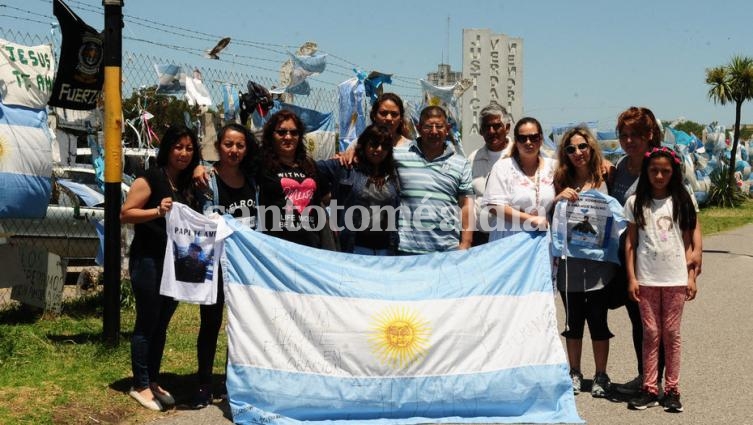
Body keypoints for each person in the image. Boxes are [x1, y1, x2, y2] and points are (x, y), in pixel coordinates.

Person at [608, 106, 703, 395]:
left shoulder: (663, 164)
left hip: (663, 260)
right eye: (623, 135)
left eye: (635, 134)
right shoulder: (620, 167)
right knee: (641, 322)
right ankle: (646, 377)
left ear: (650, 134)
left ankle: (660, 382)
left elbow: (688, 213)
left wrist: (696, 253)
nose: (628, 140)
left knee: (663, 327)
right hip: (630, 256)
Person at [120, 124, 202, 411]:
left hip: (176, 265)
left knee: (162, 324)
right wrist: (156, 211)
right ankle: (140, 384)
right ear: (167, 148)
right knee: (147, 322)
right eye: (178, 147)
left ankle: (152, 379)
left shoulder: (186, 182)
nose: (183, 153)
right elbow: (125, 213)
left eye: (189, 148)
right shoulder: (151, 178)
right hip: (149, 261)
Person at [624, 147, 698, 412]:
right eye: (654, 170)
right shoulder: (635, 202)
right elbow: (631, 242)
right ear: (646, 171)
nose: (659, 175)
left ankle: (672, 389)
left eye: (665, 171)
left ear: (673, 172)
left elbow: (690, 239)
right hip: (646, 279)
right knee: (651, 333)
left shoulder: (682, 199)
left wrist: (691, 277)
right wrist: (631, 277)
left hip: (675, 279)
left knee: (671, 333)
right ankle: (649, 388)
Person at [192, 123, 259, 409]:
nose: (234, 150)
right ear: (219, 146)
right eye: (228, 144)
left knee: (242, 325)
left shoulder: (252, 180)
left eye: (240, 145)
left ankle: (235, 381)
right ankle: (204, 382)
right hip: (214, 264)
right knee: (210, 324)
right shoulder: (206, 178)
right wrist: (198, 166)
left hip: (243, 265)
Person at [552, 126, 616, 397]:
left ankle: (601, 375)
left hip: (601, 263)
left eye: (582, 147)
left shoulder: (607, 174)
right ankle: (574, 372)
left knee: (599, 321)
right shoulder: (560, 178)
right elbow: (549, 213)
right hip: (570, 263)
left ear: (591, 148)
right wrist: (558, 197)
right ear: (565, 154)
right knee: (573, 322)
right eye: (570, 149)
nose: (577, 153)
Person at [392, 105, 474, 254]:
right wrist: (349, 153)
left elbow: (466, 206)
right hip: (405, 249)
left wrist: (465, 244)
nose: (434, 131)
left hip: (447, 250)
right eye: (428, 126)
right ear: (418, 128)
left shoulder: (461, 163)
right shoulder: (398, 156)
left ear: (447, 128)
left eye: (439, 126)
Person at [317, 124, 400, 255]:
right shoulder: (346, 167)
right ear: (364, 144)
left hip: (386, 249)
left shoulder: (393, 173)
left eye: (384, 146)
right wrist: (323, 196)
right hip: (353, 248)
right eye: (374, 144)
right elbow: (312, 168)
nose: (379, 149)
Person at [257, 109, 327, 248]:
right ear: (271, 136)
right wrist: (201, 168)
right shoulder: (260, 165)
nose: (288, 137)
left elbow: (323, 198)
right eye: (281, 132)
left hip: (311, 246)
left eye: (294, 132)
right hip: (277, 248)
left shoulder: (310, 166)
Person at [482, 117, 556, 240]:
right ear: (516, 141)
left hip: (542, 241)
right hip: (509, 240)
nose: (528, 142)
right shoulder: (502, 167)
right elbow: (493, 206)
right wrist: (529, 219)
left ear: (541, 139)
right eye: (522, 138)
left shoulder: (553, 167)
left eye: (533, 137)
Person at [467, 102, 513, 246]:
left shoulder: (519, 157)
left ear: (507, 128)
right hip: (479, 239)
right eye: (487, 127)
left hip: (510, 238)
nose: (492, 131)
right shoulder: (473, 158)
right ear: (480, 131)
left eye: (497, 126)